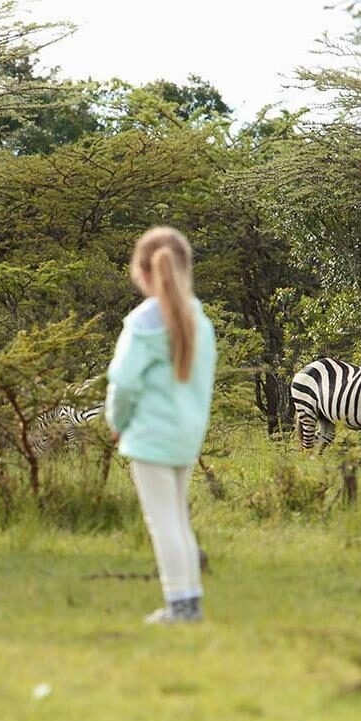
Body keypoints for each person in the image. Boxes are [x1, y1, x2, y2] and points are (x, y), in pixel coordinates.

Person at [105, 226, 217, 624]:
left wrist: (116, 422)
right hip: (187, 437)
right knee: (178, 520)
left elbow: (123, 382)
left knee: (163, 522)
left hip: (151, 437)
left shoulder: (142, 323)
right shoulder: (200, 321)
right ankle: (190, 603)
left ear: (142, 272)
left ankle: (179, 605)